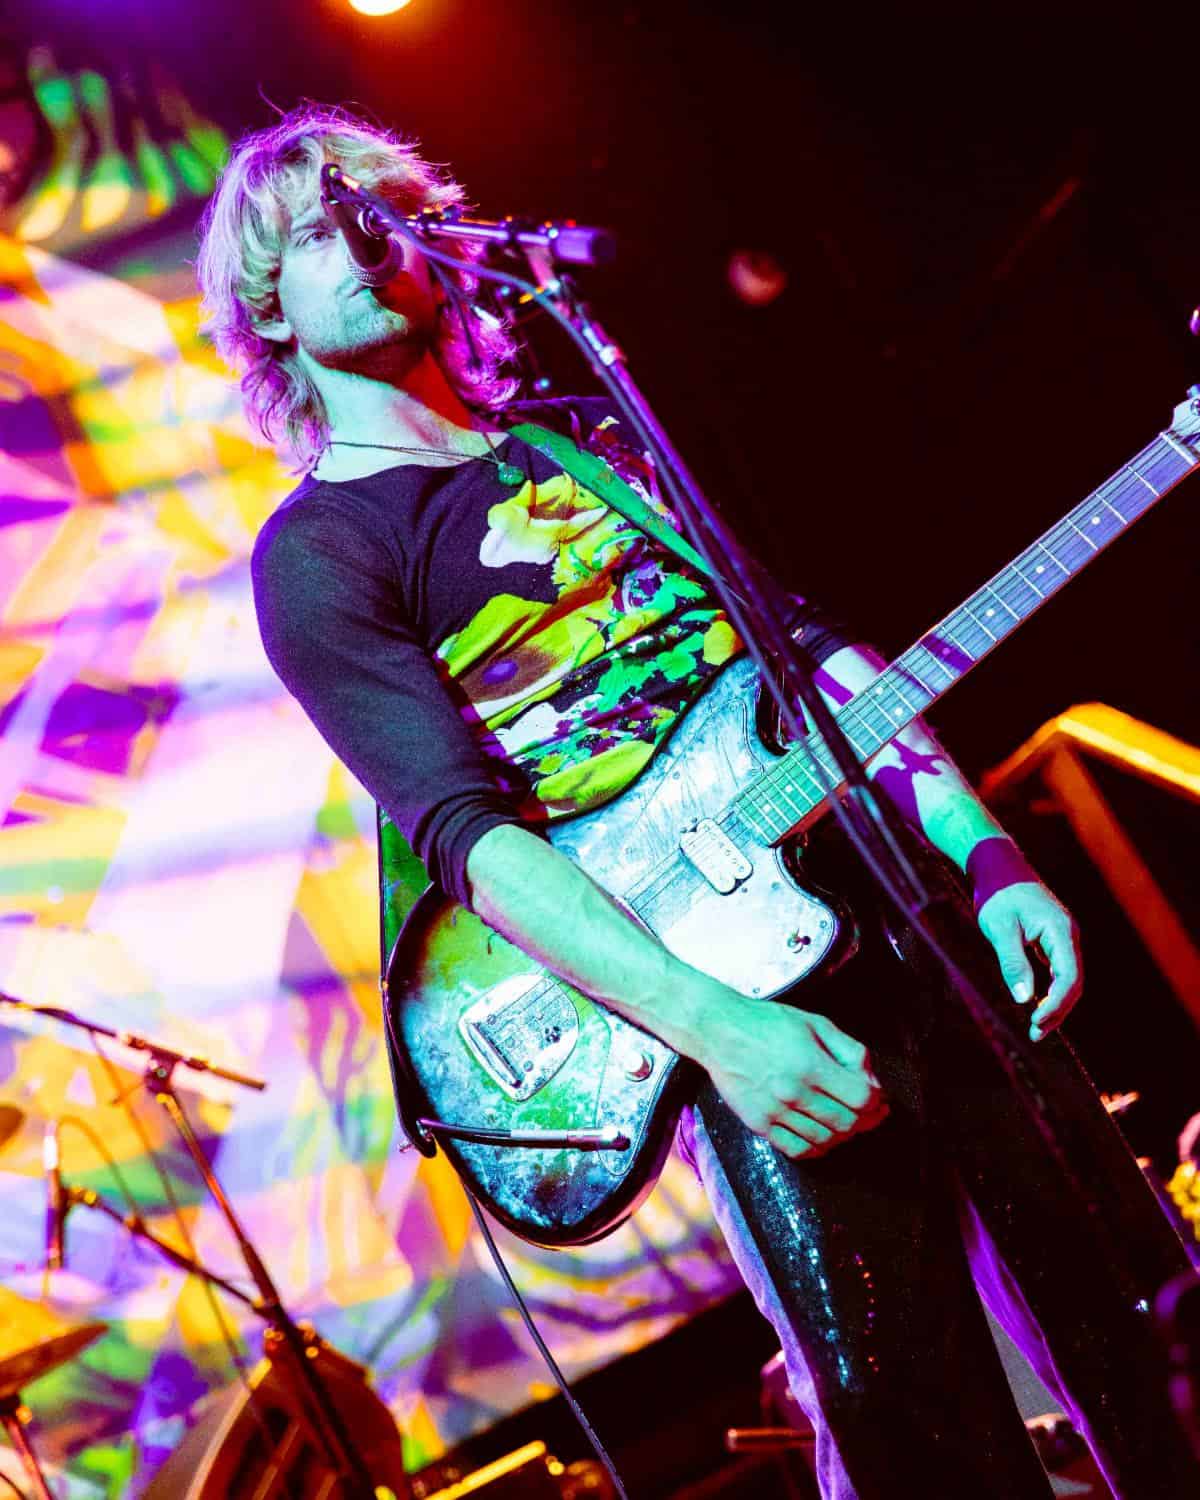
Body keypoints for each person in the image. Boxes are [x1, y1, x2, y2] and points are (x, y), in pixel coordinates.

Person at [197, 104, 1199, 1498]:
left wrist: (985, 855)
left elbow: (810, 657)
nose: (366, 243)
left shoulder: (586, 443)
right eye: (320, 231)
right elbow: (471, 843)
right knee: (907, 1414)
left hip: (900, 908)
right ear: (267, 308)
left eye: (386, 213)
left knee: (1134, 1318)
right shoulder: (321, 554)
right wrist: (720, 1031)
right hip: (733, 987)